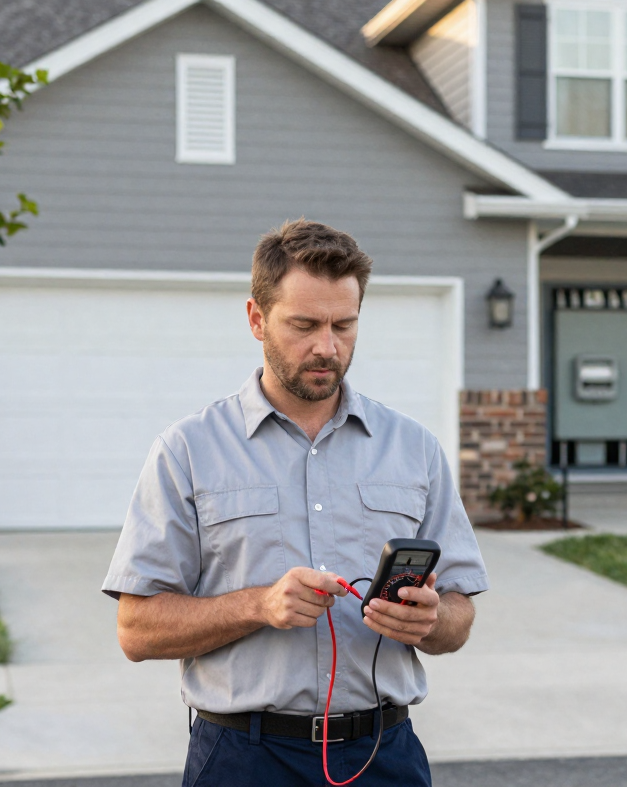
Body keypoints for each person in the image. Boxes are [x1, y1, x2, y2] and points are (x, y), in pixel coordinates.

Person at [101, 219, 487, 786]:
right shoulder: (187, 450)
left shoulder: (414, 449)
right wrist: (258, 605)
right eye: (303, 325)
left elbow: (458, 618)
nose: (327, 347)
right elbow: (136, 630)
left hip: (385, 756)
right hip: (243, 758)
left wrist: (430, 620)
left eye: (344, 325)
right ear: (257, 319)